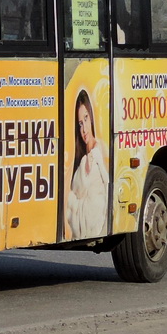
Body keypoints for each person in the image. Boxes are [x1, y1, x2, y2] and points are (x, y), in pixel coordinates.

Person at [66, 89, 109, 239]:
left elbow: (108, 187)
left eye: (86, 119)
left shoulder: (100, 151)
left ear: (92, 117)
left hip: (94, 223)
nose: (83, 129)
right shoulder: (82, 158)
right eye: (79, 124)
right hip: (82, 226)